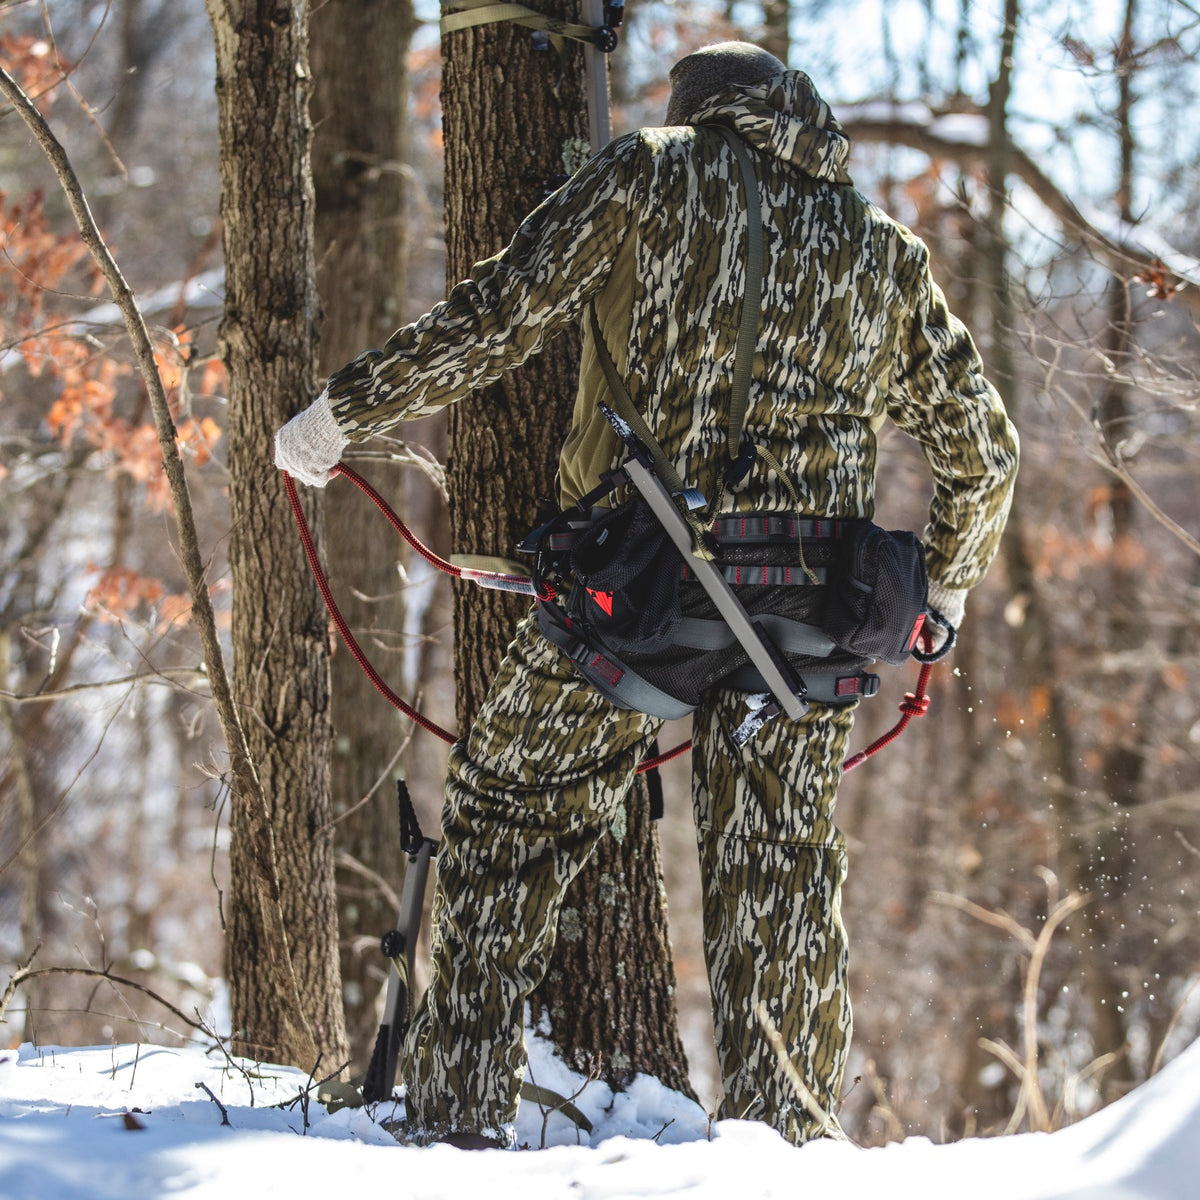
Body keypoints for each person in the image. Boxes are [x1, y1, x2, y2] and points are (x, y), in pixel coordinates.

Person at [275, 42, 1019, 1148]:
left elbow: (499, 319)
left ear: (701, 112)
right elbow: (986, 452)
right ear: (799, 118)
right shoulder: (884, 252)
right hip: (813, 625)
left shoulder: (648, 171)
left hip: (641, 596)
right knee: (782, 888)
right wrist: (945, 588)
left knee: (508, 813)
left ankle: (452, 1122)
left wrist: (343, 415)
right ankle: (789, 1154)